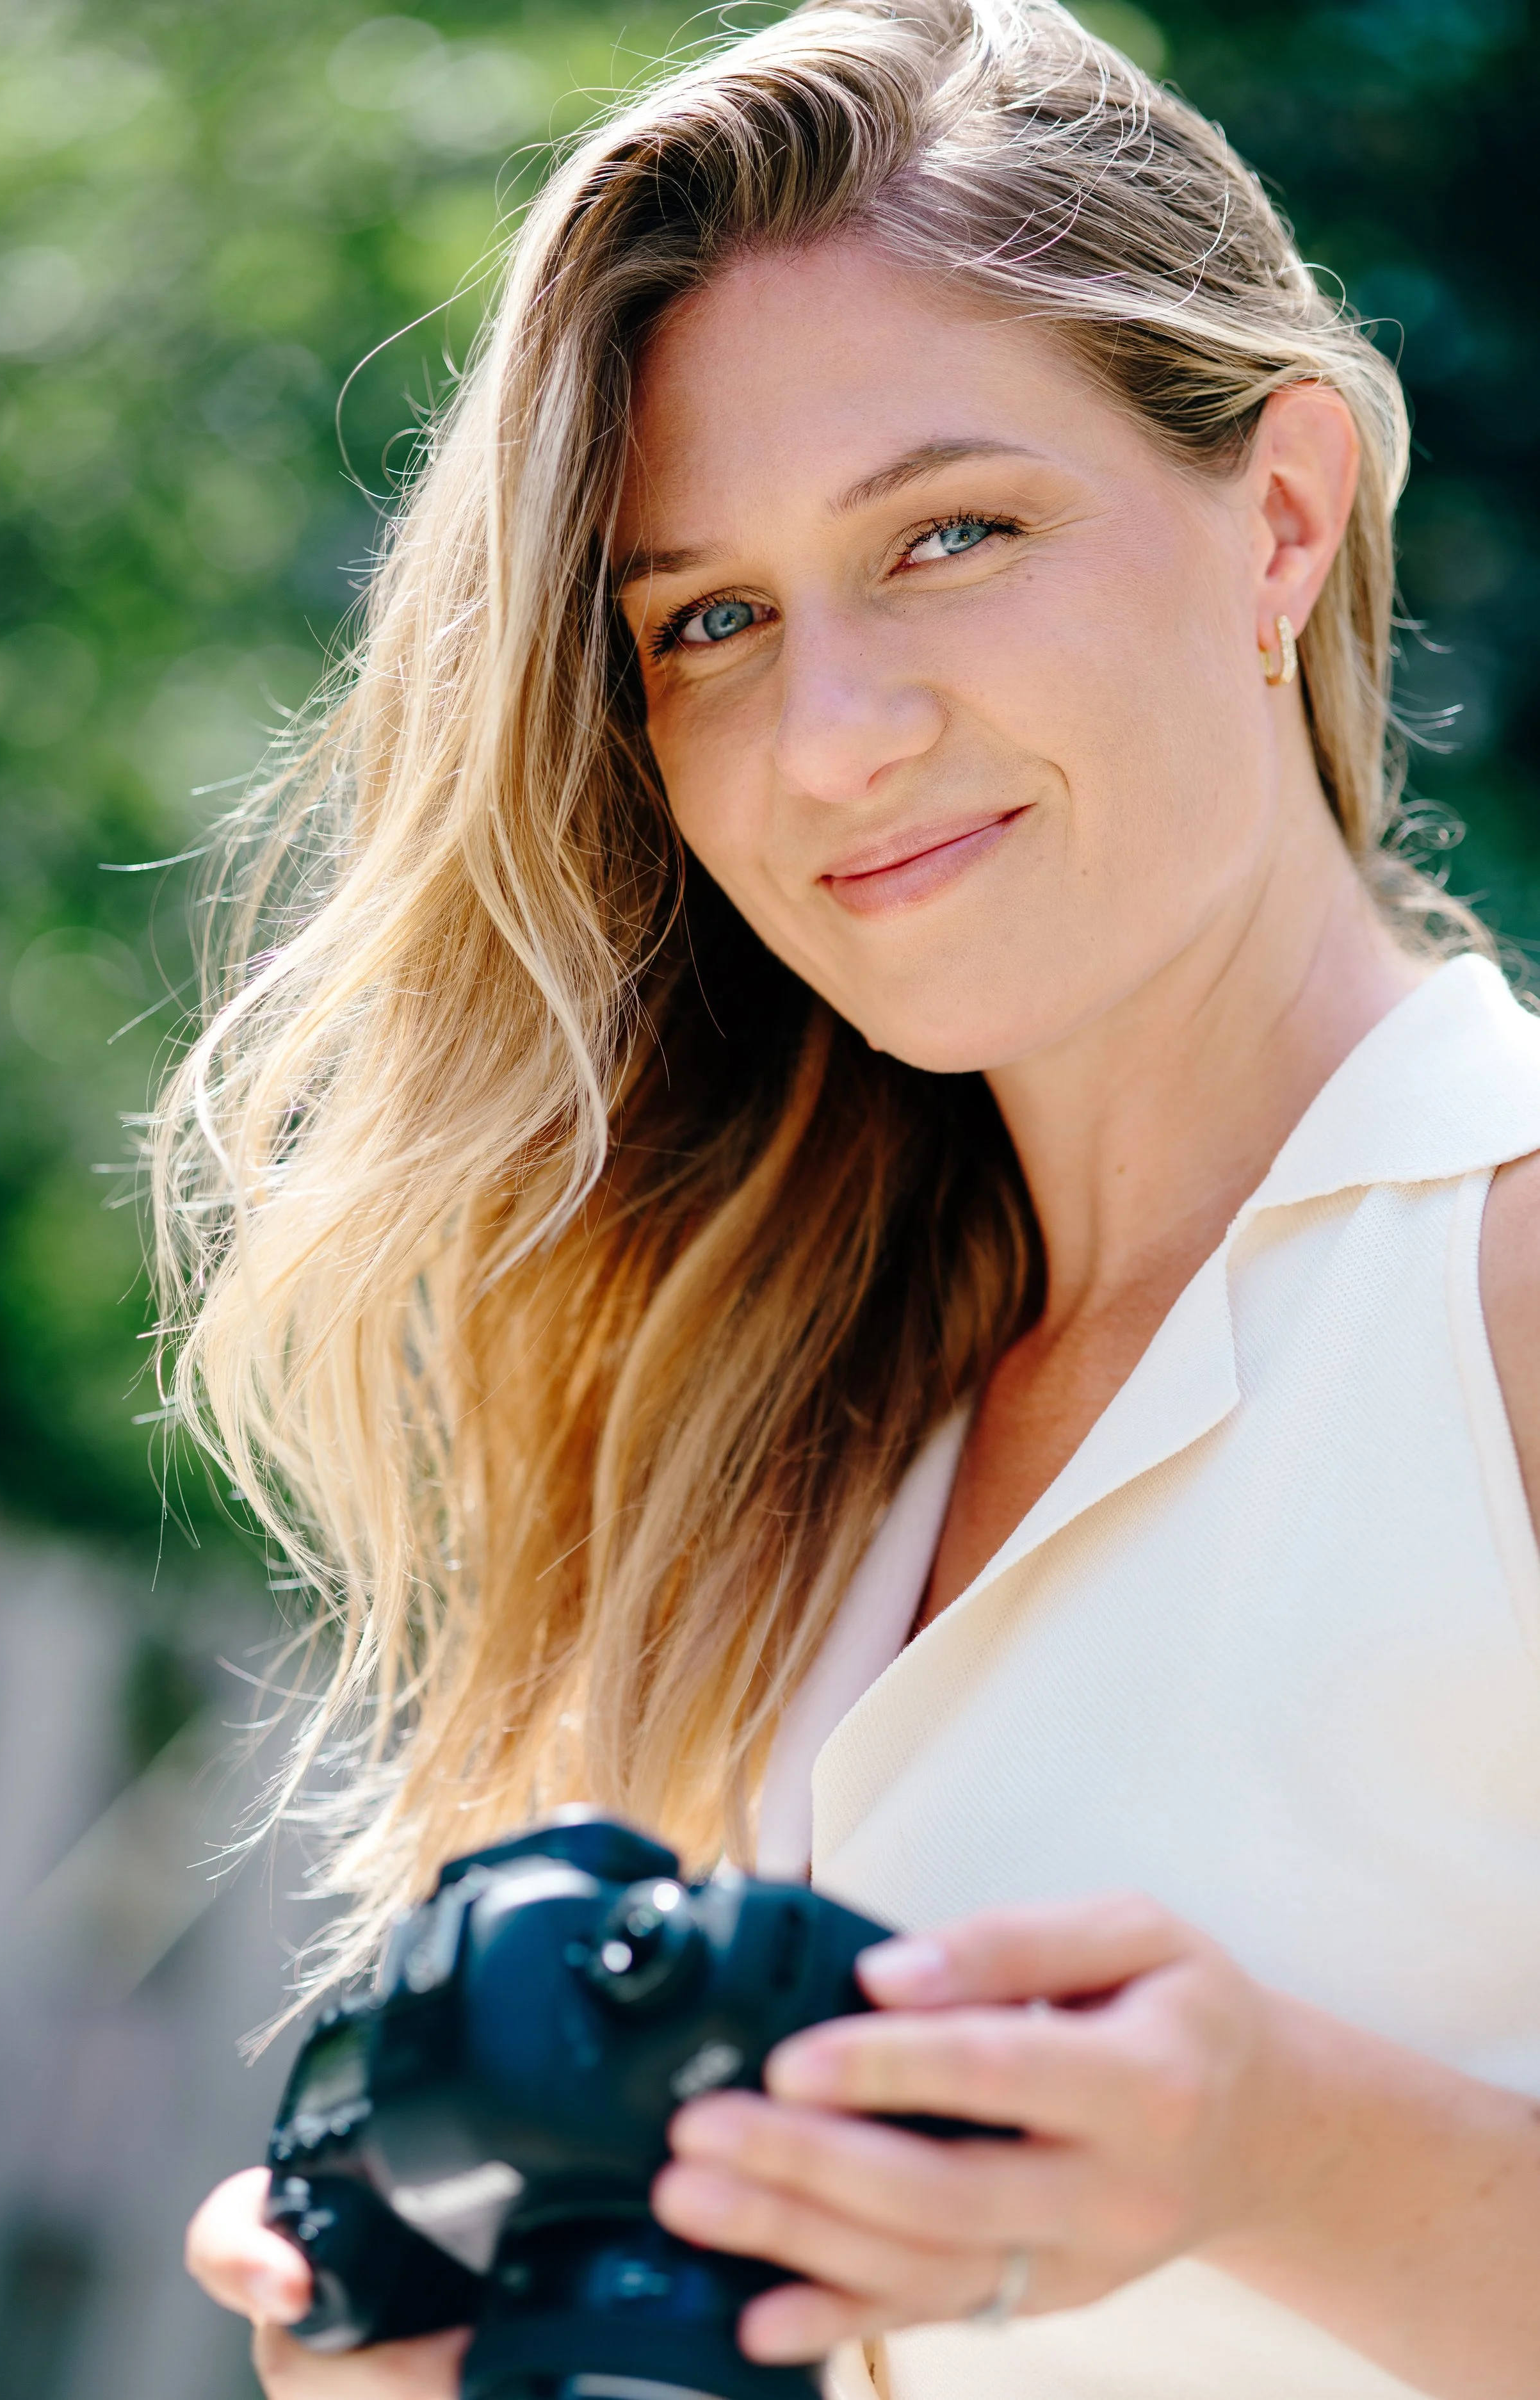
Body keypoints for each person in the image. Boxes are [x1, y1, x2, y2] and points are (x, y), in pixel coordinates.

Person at [174, 1, 1540, 2393]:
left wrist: (1281, 2149)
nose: (830, 733)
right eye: (705, 618)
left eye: (949, 534)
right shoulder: (773, 1430)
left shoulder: (1498, 1288)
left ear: (1283, 515)